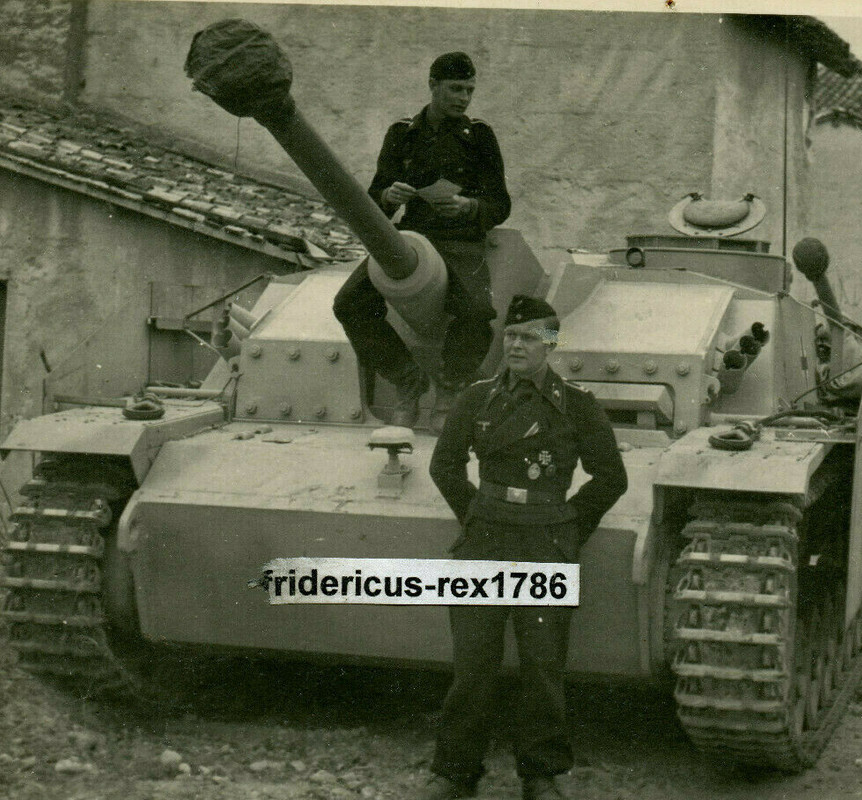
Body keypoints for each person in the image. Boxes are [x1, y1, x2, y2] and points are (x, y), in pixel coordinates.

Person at [423, 295, 628, 800]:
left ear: (550, 344)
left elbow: (611, 477)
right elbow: (444, 465)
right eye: (511, 336)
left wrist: (567, 527)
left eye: (529, 337)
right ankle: (455, 772)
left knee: (542, 665)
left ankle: (540, 774)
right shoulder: (477, 399)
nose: (516, 345)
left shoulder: (576, 404)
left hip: (545, 540)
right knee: (473, 665)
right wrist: (476, 516)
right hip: (485, 540)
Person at [333, 51, 511, 430]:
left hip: (461, 242)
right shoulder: (403, 134)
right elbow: (375, 198)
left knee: (478, 312)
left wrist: (469, 206)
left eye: (469, 90)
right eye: (455, 89)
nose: (463, 98)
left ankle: (450, 388)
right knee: (349, 304)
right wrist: (388, 196)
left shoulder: (479, 136)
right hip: (411, 240)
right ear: (433, 85)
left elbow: (500, 204)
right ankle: (407, 380)